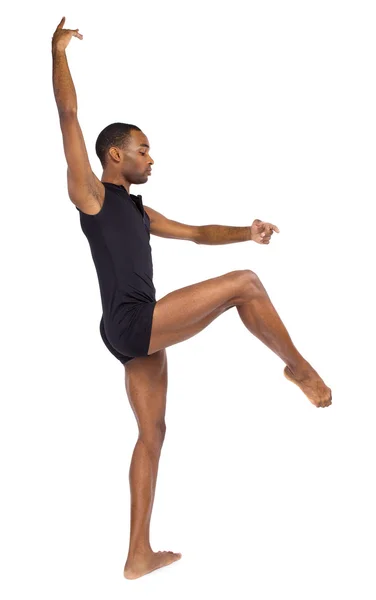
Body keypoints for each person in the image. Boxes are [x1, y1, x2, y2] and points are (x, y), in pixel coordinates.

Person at [52, 17, 332, 580]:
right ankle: (300, 371)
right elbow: (68, 116)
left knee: (152, 434)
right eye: (143, 150)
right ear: (114, 156)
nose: (151, 158)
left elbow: (200, 233)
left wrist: (244, 231)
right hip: (133, 322)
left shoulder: (137, 211)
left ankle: (137, 555)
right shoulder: (91, 195)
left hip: (127, 332)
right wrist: (56, 52)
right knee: (245, 285)